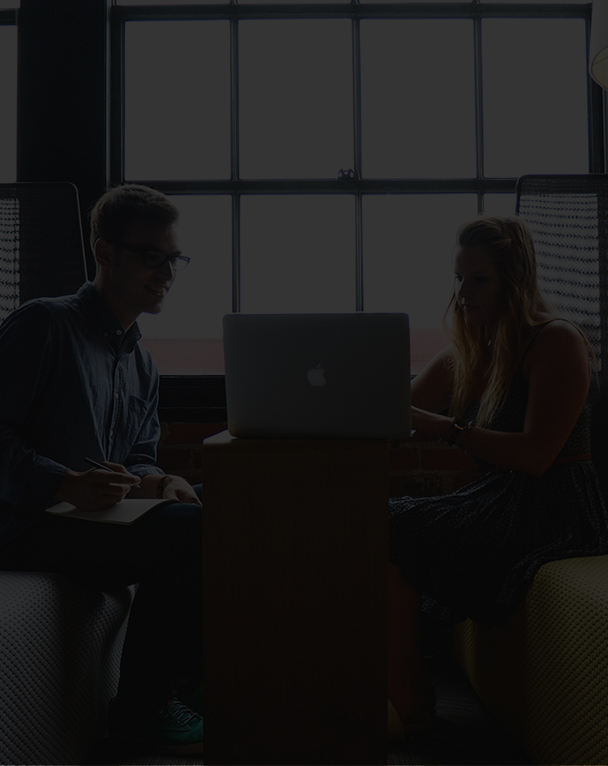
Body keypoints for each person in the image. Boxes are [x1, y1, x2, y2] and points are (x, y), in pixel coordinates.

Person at [0, 184, 205, 755]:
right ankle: (143, 709)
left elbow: (137, 455)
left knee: (216, 506)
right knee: (192, 533)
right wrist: (62, 482)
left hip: (91, 525)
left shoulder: (142, 363)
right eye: (152, 256)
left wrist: (159, 481)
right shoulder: (44, 324)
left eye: (175, 259)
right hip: (24, 524)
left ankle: (190, 682)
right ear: (105, 252)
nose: (167, 273)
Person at [387, 216, 608, 738]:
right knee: (384, 521)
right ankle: (403, 688)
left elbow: (537, 456)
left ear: (515, 281)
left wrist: (449, 429)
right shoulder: (470, 350)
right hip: (502, 497)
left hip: (556, 507)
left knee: (394, 527)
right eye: (459, 279)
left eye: (479, 280)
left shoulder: (555, 341)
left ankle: (407, 699)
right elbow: (396, 409)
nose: (463, 294)